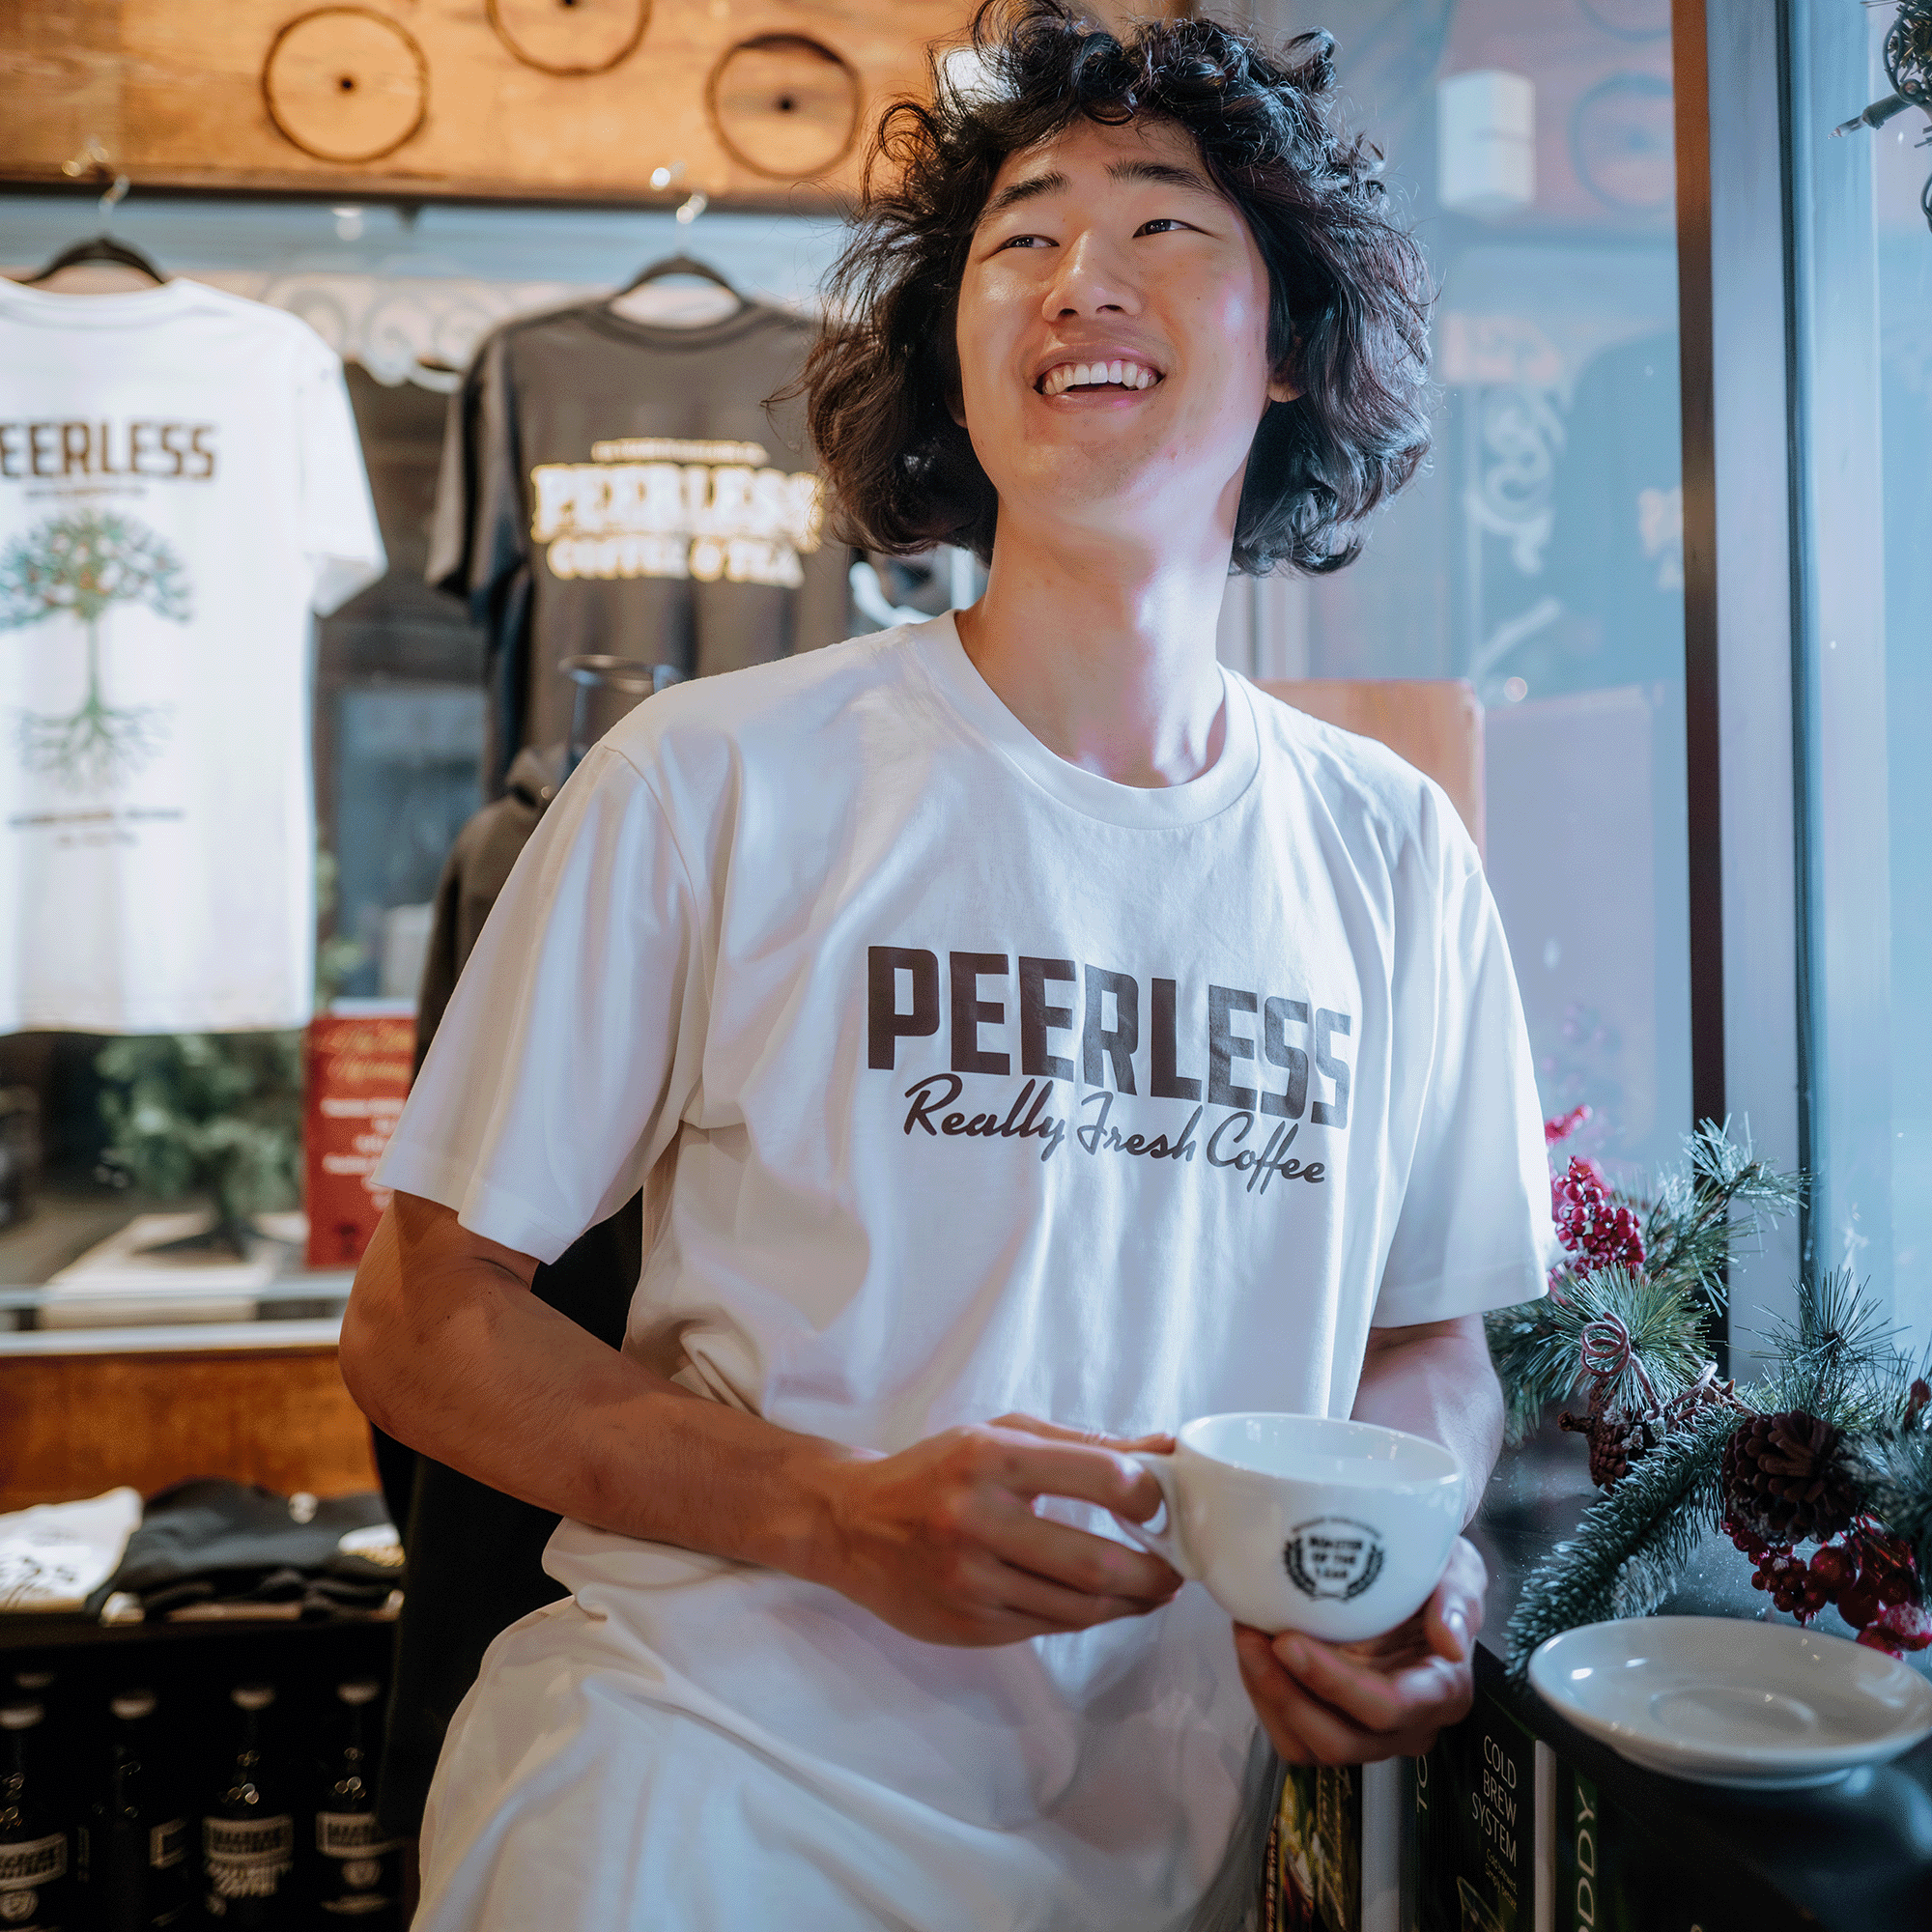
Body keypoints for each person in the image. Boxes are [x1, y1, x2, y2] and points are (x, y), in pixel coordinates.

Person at [340, 6, 1554, 1927]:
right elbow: (414, 1322)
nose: (1082, 272)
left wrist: (1409, 1563)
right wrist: (823, 1509)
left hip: (1145, 1858)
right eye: (1020, 237)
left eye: (1162, 222)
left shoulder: (1390, 849)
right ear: (956, 369)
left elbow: (1431, 1343)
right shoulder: (714, 781)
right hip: (684, 1800)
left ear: (1293, 349)